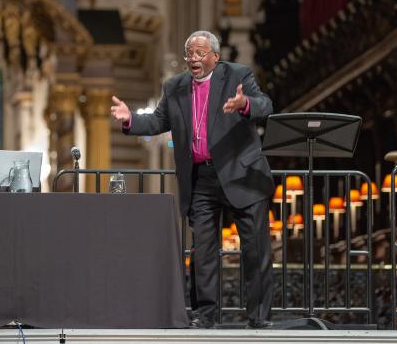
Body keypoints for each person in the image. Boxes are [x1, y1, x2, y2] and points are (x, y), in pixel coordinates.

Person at [110, 30, 274, 329]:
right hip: (201, 178)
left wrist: (245, 104)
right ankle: (205, 315)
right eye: (189, 54)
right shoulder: (175, 87)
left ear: (215, 56)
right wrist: (130, 119)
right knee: (203, 252)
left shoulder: (238, 74)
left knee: (256, 249)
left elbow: (266, 107)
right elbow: (158, 121)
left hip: (241, 174)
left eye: (200, 53)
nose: (193, 59)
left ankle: (260, 317)